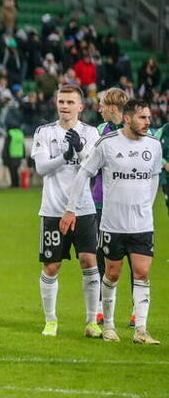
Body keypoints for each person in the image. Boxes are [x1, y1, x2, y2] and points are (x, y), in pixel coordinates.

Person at [60, 99, 162, 345]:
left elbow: (154, 178)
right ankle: (108, 325)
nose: (148, 122)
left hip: (142, 224)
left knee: (143, 273)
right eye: (142, 118)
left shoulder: (154, 145)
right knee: (113, 274)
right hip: (112, 224)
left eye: (149, 117)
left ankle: (141, 330)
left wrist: (146, 207)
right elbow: (84, 172)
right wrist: (71, 209)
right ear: (127, 119)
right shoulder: (107, 143)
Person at [30, 85, 101, 338]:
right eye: (61, 101)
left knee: (89, 261)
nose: (65, 106)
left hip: (84, 209)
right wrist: (65, 155)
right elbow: (41, 168)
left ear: (80, 107)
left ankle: (92, 321)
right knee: (51, 266)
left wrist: (80, 149)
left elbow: (92, 168)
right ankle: (50, 320)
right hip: (52, 209)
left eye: (70, 102)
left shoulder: (91, 133)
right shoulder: (44, 132)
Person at [93, 88, 129, 326]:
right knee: (100, 255)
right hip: (98, 201)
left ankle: (138, 313)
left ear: (113, 108)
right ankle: (99, 308)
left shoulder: (133, 132)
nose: (99, 109)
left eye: (102, 105)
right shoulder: (99, 131)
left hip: (126, 204)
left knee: (135, 257)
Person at [2, 122, 26, 187]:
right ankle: (17, 183)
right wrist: (24, 155)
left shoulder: (10, 133)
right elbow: (23, 145)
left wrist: (4, 155)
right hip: (19, 155)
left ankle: (13, 184)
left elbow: (6, 145)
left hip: (12, 154)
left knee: (12, 170)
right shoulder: (21, 133)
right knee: (16, 170)